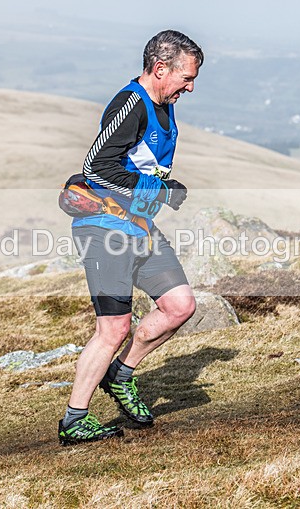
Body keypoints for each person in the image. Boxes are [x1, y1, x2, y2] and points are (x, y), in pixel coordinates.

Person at [58, 30, 204, 445]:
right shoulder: (131, 104)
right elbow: (97, 168)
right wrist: (158, 190)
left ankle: (121, 374)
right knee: (113, 328)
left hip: (138, 227)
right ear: (160, 69)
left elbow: (137, 165)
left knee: (179, 305)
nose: (190, 87)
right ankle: (74, 419)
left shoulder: (162, 103)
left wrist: (163, 186)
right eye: (186, 78)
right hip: (104, 229)